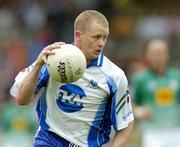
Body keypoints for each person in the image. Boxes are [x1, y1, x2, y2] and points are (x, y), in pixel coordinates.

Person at [10, 10, 134, 147]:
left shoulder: (115, 76)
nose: (101, 43)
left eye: (105, 37)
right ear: (78, 35)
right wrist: (38, 64)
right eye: (96, 37)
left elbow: (125, 123)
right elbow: (22, 99)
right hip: (49, 139)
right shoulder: (53, 58)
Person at [132, 38, 180, 147]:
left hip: (177, 131)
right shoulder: (140, 79)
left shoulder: (178, 77)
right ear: (147, 55)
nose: (158, 57)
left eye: (161, 53)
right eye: (154, 53)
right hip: (150, 133)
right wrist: (139, 111)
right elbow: (129, 106)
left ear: (168, 55)